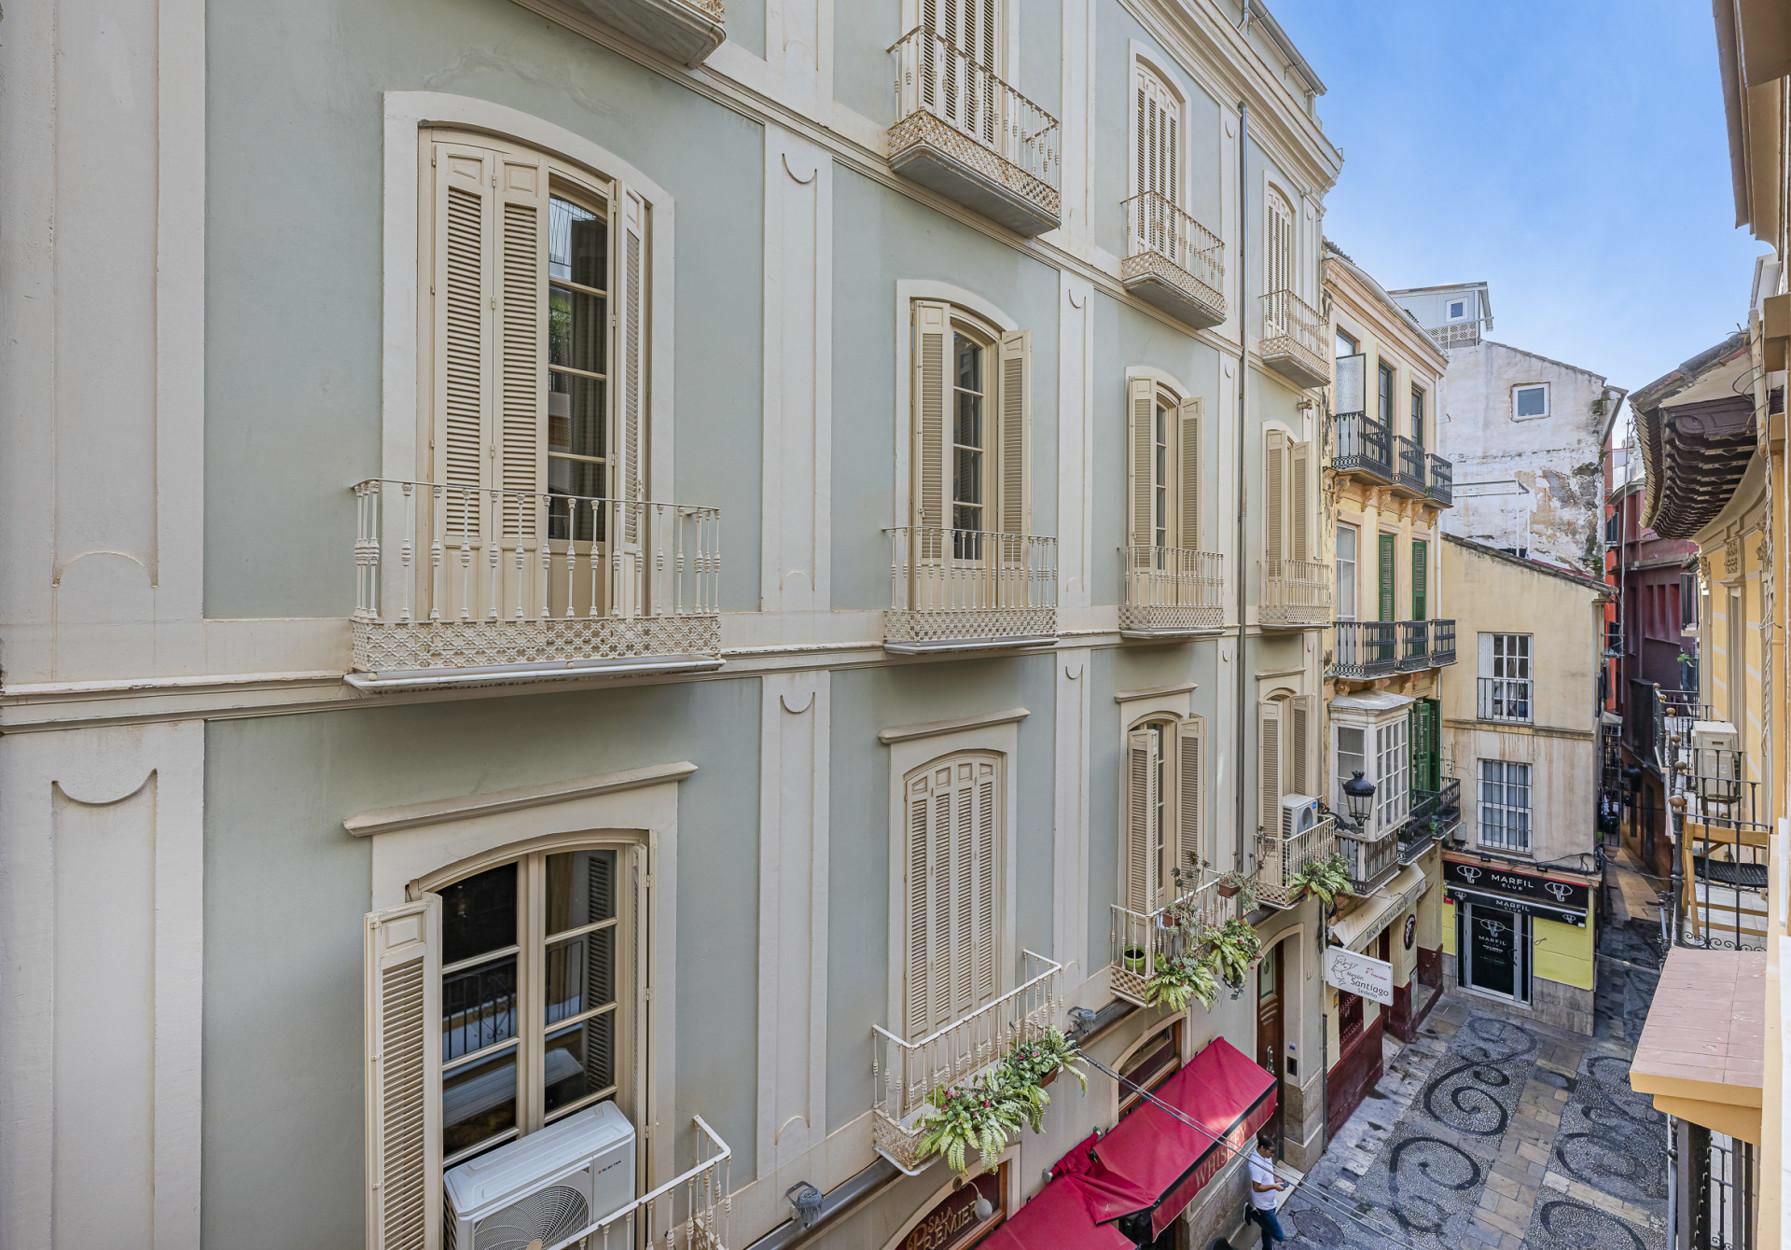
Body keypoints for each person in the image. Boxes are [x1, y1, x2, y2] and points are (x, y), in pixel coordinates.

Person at [1245, 1133, 1291, 1246]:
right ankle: (1252, 1213)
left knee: (1267, 1232)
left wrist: (1276, 1179)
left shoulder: (1266, 1156)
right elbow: (1257, 1187)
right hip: (1263, 1205)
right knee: (1278, 1235)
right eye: (1270, 1151)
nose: (1272, 1154)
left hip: (1271, 1200)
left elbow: (1269, 1173)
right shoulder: (1256, 1165)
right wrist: (1274, 1186)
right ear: (1262, 1148)